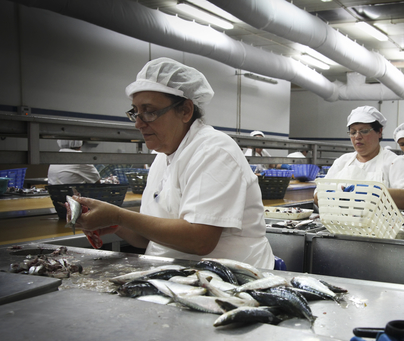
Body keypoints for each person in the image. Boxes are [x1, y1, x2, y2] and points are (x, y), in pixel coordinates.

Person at [72, 57, 274, 269]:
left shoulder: (214, 151)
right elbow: (146, 237)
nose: (139, 123)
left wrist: (119, 215)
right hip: (177, 276)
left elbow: (200, 240)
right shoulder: (162, 157)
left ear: (185, 111)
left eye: (149, 111)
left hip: (233, 282)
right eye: (136, 112)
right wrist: (114, 223)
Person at [314, 106, 404, 210]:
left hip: (379, 225)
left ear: (379, 132)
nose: (357, 137)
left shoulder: (393, 162)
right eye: (353, 132)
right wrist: (331, 195)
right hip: (342, 224)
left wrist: (373, 192)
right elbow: (317, 196)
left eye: (364, 131)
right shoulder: (342, 162)